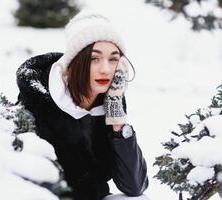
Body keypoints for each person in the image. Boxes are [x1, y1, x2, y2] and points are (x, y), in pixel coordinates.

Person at [16, 10, 149, 200]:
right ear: (74, 62)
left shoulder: (109, 102)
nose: (105, 69)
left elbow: (134, 186)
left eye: (113, 59)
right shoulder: (38, 102)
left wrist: (117, 118)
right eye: (94, 58)